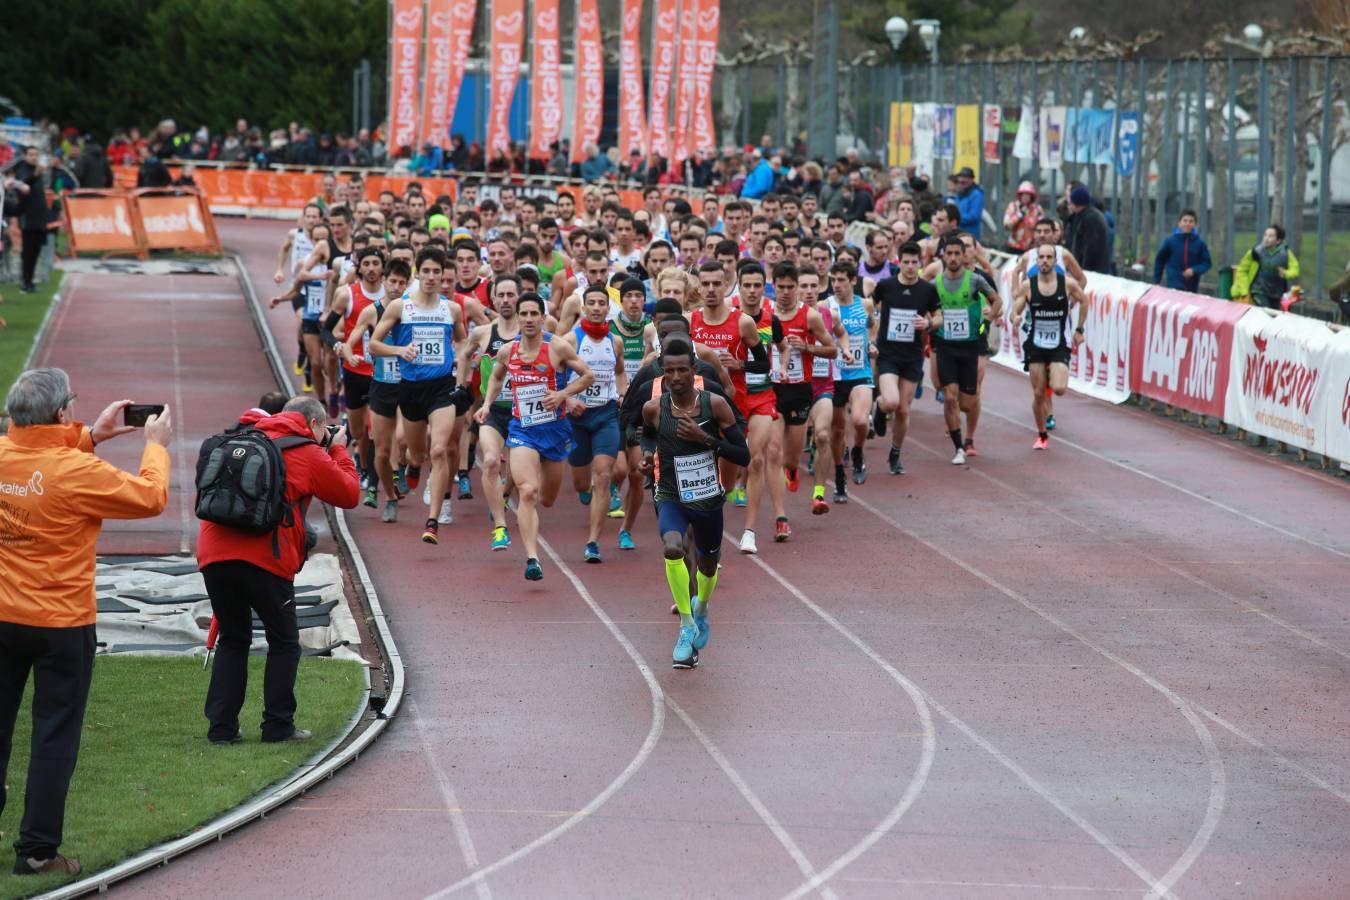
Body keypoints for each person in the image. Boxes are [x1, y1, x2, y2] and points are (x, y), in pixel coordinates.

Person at [0, 371, 172, 876]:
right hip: (60, 622)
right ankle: (36, 851)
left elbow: (32, 453)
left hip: (3, 614)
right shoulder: (75, 471)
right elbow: (150, 496)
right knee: (54, 735)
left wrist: (92, 436)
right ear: (59, 414)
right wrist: (154, 446)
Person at [197, 396, 360, 747]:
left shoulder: (244, 438)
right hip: (265, 558)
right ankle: (277, 726)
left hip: (214, 554)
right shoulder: (309, 451)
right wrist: (340, 450)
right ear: (314, 426)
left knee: (234, 637)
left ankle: (221, 729)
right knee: (284, 641)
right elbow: (348, 493)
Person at [641, 340, 751, 668]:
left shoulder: (715, 405)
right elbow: (647, 434)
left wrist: (705, 440)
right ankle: (687, 625)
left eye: (682, 370)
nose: (676, 376)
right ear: (663, 372)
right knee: (672, 547)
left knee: (707, 563)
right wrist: (647, 456)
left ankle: (701, 607)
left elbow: (742, 454)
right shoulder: (654, 408)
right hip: (670, 493)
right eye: (670, 370)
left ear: (694, 370)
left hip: (707, 498)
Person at [476, 293, 594, 581]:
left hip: (555, 432)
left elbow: (588, 376)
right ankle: (532, 558)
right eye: (524, 314)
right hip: (522, 430)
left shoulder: (558, 348)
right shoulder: (507, 350)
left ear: (543, 318)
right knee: (528, 492)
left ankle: (508, 486)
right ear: (517, 317)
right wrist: (487, 403)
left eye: (534, 314)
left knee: (547, 498)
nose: (528, 319)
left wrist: (563, 394)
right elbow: (496, 376)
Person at [368, 247, 470, 544]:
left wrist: (460, 362)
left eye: (436, 272)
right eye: (425, 271)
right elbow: (374, 345)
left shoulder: (451, 310)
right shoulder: (401, 307)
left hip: (441, 388)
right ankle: (413, 465)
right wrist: (400, 350)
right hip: (411, 390)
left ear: (442, 275)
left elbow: (463, 341)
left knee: (439, 450)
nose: (430, 276)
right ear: (418, 274)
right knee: (418, 453)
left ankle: (432, 521)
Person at [558, 284, 628, 563]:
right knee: (579, 482)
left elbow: (620, 372)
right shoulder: (570, 341)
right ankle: (583, 490)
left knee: (603, 476)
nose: (597, 308)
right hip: (576, 418)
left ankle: (593, 542)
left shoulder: (615, 342)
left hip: (606, 415)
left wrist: (621, 393)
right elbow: (555, 376)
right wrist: (567, 401)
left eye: (602, 303)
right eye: (592, 303)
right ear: (583, 307)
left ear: (608, 309)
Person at [341, 259, 411, 522]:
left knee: (403, 438)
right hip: (381, 385)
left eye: (401, 283)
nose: (395, 287)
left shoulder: (413, 311)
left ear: (407, 285)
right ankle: (390, 497)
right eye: (391, 281)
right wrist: (349, 355)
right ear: (384, 281)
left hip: (407, 385)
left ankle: (403, 468)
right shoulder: (372, 311)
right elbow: (352, 341)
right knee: (381, 451)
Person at [931, 236, 1000, 465]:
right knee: (949, 396)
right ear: (943, 256)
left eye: (956, 254)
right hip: (945, 346)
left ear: (964, 256)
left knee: (966, 403)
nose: (952, 258)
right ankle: (959, 446)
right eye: (948, 254)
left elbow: (997, 301)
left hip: (970, 347)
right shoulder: (935, 284)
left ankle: (963, 434)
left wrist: (986, 321)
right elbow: (925, 308)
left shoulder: (975, 280)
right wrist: (930, 322)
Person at [1013, 244, 1087, 450]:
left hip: (1058, 345)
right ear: (1037, 261)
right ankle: (1042, 435)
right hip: (1035, 345)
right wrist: (1015, 317)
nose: (1045, 261)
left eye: (1049, 257)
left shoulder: (1068, 284)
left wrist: (1079, 329)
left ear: (1055, 261)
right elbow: (1016, 307)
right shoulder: (1028, 285)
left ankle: (1049, 376)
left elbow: (1085, 300)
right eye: (1041, 257)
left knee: (1060, 388)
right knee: (1038, 394)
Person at [10, 147, 51, 294]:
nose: (34, 157)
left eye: (36, 155)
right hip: (28, 217)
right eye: (31, 155)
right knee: (27, 252)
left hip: (39, 217)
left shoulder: (38, 172)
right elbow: (23, 184)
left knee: (35, 251)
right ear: (26, 156)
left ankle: (30, 281)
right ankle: (25, 283)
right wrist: (35, 175)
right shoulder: (23, 170)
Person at [1232, 224, 1300, 310]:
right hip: (1258, 291)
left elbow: (1295, 269)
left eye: (1271, 236)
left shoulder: (1285, 253)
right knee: (1266, 311)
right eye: (1265, 235)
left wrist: (1286, 273)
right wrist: (1244, 290)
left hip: (1276, 293)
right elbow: (1242, 270)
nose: (1266, 238)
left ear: (1278, 240)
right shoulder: (1256, 252)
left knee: (1274, 315)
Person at [1153, 209, 1212, 293]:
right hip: (1173, 288)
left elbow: (1207, 263)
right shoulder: (1170, 241)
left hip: (1191, 289)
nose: (1187, 224)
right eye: (1185, 221)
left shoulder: (1200, 243)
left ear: (1195, 224)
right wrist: (1156, 281)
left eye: (1191, 221)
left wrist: (1194, 270)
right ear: (1179, 223)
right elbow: (1160, 260)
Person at [1064, 185, 1111, 275]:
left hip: (1092, 270)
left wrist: (1084, 271)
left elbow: (1090, 248)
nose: (1068, 205)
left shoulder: (1090, 218)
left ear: (1075, 203)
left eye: (1070, 202)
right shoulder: (1083, 215)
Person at [1002, 181, 1042, 253]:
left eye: (1028, 194)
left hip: (1031, 248)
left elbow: (1041, 227)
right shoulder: (1013, 206)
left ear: (1031, 196)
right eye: (1023, 194)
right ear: (1020, 196)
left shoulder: (1037, 209)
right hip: (1014, 246)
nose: (1025, 197)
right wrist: (1019, 214)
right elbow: (1006, 225)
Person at [949, 166, 985, 242]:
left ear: (971, 179)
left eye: (965, 177)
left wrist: (955, 219)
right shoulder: (959, 193)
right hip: (958, 234)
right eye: (960, 177)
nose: (962, 180)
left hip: (970, 236)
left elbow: (974, 216)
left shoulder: (976, 194)